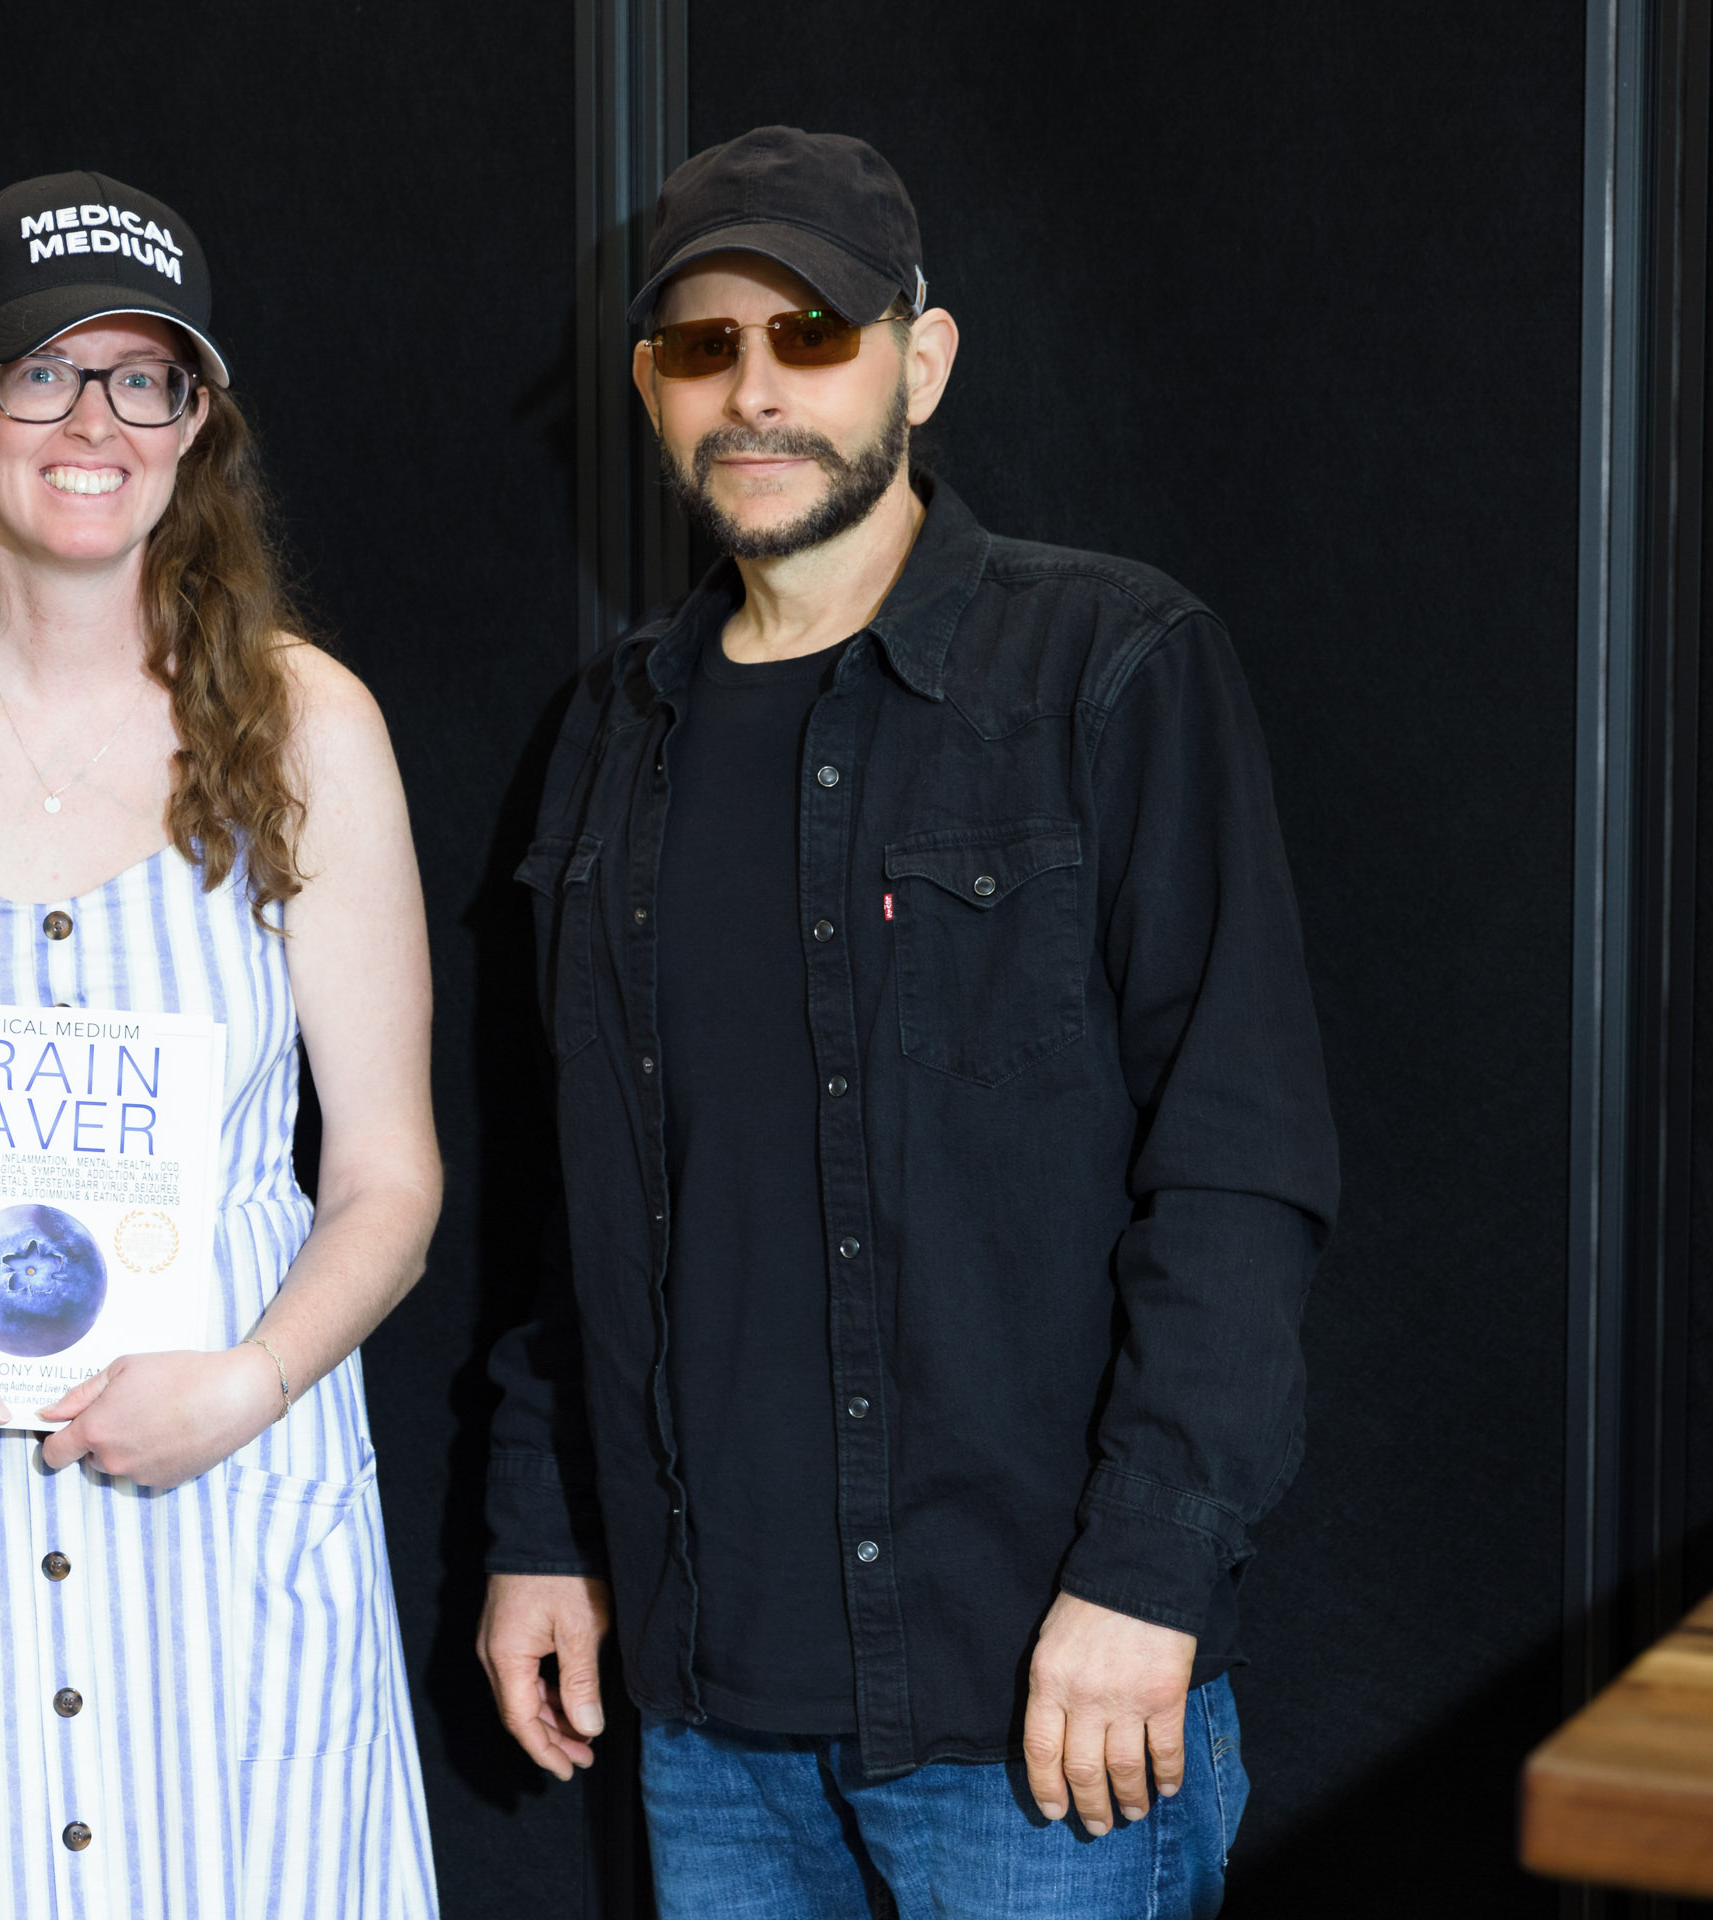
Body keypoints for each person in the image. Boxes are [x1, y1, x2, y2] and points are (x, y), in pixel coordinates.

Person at [475, 127, 1338, 1917]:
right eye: (704, 346)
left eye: (812, 333)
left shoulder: (1108, 668)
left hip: (1035, 1714)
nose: (755, 390)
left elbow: (1238, 1168)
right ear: (651, 390)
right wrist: (545, 1523)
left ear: (920, 362)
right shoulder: (610, 732)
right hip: (709, 1721)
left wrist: (1150, 1575)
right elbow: (580, 1196)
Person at [0, 171, 441, 1919]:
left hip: (228, 1510)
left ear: (196, 425)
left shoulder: (307, 729)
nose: (93, 422)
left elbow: (390, 1176)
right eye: (41, 372)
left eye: (143, 378)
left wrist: (251, 1384)